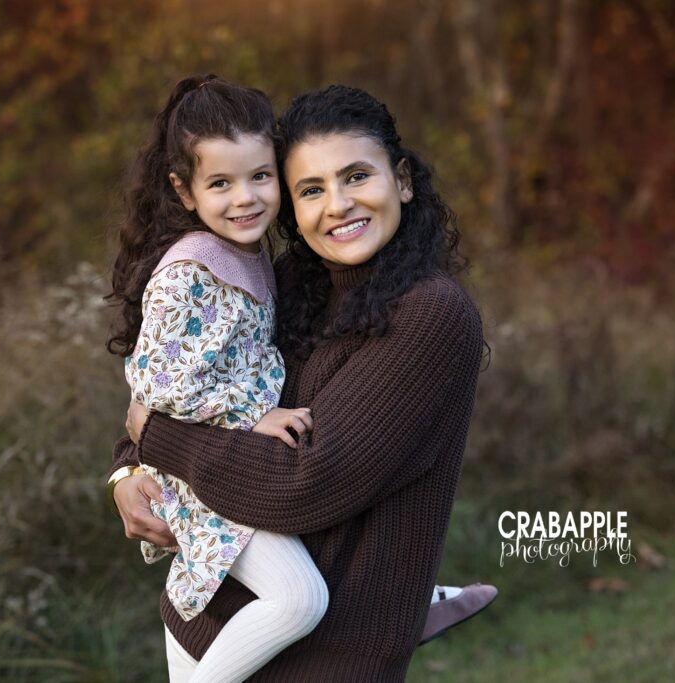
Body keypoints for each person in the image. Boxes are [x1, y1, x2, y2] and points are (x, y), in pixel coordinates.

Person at [110, 81, 494, 681]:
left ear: (402, 180)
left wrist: (154, 438)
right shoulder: (288, 280)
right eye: (311, 189)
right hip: (210, 624)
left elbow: (301, 484)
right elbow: (184, 376)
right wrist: (129, 469)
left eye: (356, 176)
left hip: (325, 659)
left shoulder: (430, 315)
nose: (337, 205)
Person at [106, 75, 328, 683]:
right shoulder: (192, 271)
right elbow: (156, 386)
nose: (245, 198)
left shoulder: (249, 255)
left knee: (197, 624)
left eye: (260, 176)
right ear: (184, 190)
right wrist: (253, 415)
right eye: (221, 183)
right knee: (301, 599)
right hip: (199, 477)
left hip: (226, 466)